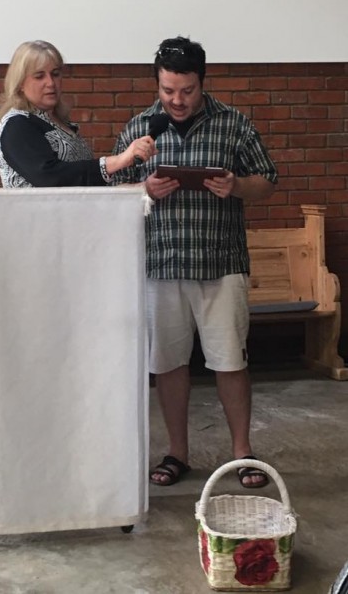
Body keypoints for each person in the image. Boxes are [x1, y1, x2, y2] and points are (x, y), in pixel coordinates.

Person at [112, 36, 278, 488]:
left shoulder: (233, 124)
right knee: (167, 363)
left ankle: (242, 453)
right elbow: (112, 193)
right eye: (168, 90)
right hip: (161, 264)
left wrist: (237, 186)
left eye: (187, 90)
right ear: (157, 84)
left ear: (202, 82)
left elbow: (268, 180)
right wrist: (144, 189)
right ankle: (177, 453)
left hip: (220, 263)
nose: (177, 100)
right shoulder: (140, 128)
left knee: (230, 361)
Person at [0, 40, 157, 187]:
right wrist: (119, 160)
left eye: (55, 74)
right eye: (39, 76)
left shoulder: (57, 121)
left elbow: (82, 182)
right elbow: (49, 176)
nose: (50, 83)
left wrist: (138, 188)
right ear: (20, 83)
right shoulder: (17, 125)